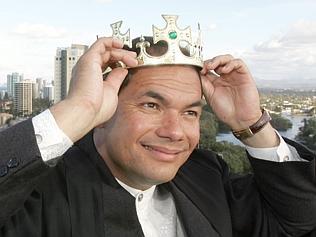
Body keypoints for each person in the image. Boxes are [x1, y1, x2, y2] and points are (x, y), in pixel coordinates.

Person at [0, 19, 316, 236]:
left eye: (190, 112)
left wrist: (252, 125)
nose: (175, 131)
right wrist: (79, 108)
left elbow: (297, 221)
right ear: (105, 109)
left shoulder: (206, 175)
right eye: (152, 106)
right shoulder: (43, 193)